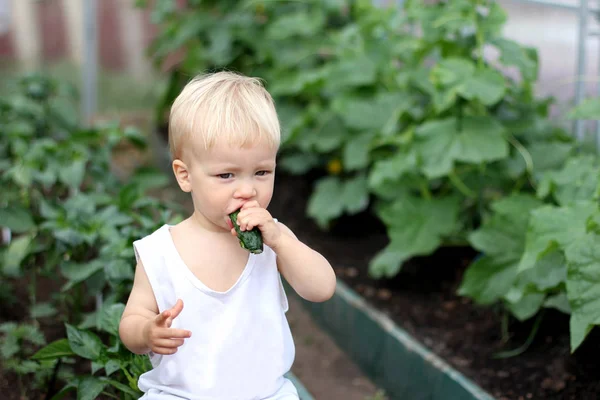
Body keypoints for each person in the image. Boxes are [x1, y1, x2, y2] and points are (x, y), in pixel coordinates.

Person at [118, 71, 337, 400]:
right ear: (184, 175)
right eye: (226, 175)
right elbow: (131, 320)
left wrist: (281, 240)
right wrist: (149, 332)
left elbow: (321, 288)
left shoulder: (274, 240)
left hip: (265, 394)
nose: (247, 190)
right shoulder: (160, 252)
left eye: (261, 172)